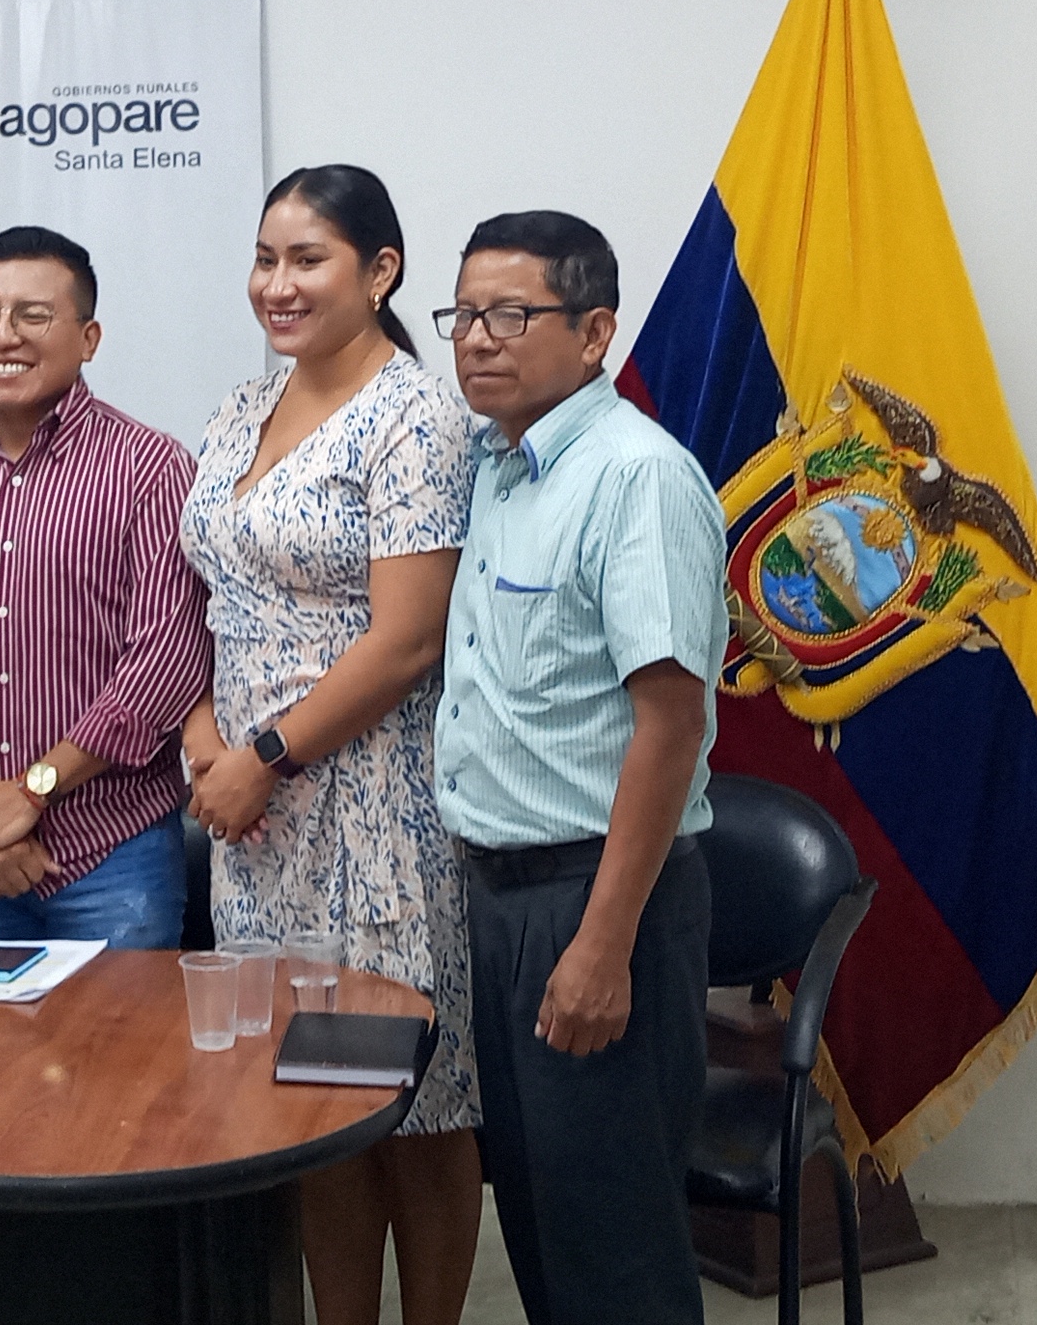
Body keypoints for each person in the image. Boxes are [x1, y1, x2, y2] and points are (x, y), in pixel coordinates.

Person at [178, 166, 485, 1325]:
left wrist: (264, 756)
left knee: (410, 1107)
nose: (278, 283)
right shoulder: (238, 410)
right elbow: (209, 597)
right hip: (253, 824)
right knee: (304, 1104)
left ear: (380, 271)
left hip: (371, 814)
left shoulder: (416, 417)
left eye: (307, 259)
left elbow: (407, 641)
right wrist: (205, 741)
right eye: (266, 258)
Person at [433, 213, 726, 1325]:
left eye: (511, 315)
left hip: (598, 901)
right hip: (499, 899)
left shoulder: (636, 478)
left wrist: (601, 946)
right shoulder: (498, 469)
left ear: (596, 331)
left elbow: (671, 725)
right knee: (544, 1231)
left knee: (616, 1254)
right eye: (464, 315)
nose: (477, 339)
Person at [0, 227, 211, 947]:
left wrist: (31, 793)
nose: (3, 336)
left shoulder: (150, 468)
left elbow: (166, 660)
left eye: (33, 315)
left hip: (111, 855)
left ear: (88, 338)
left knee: (121, 1029)